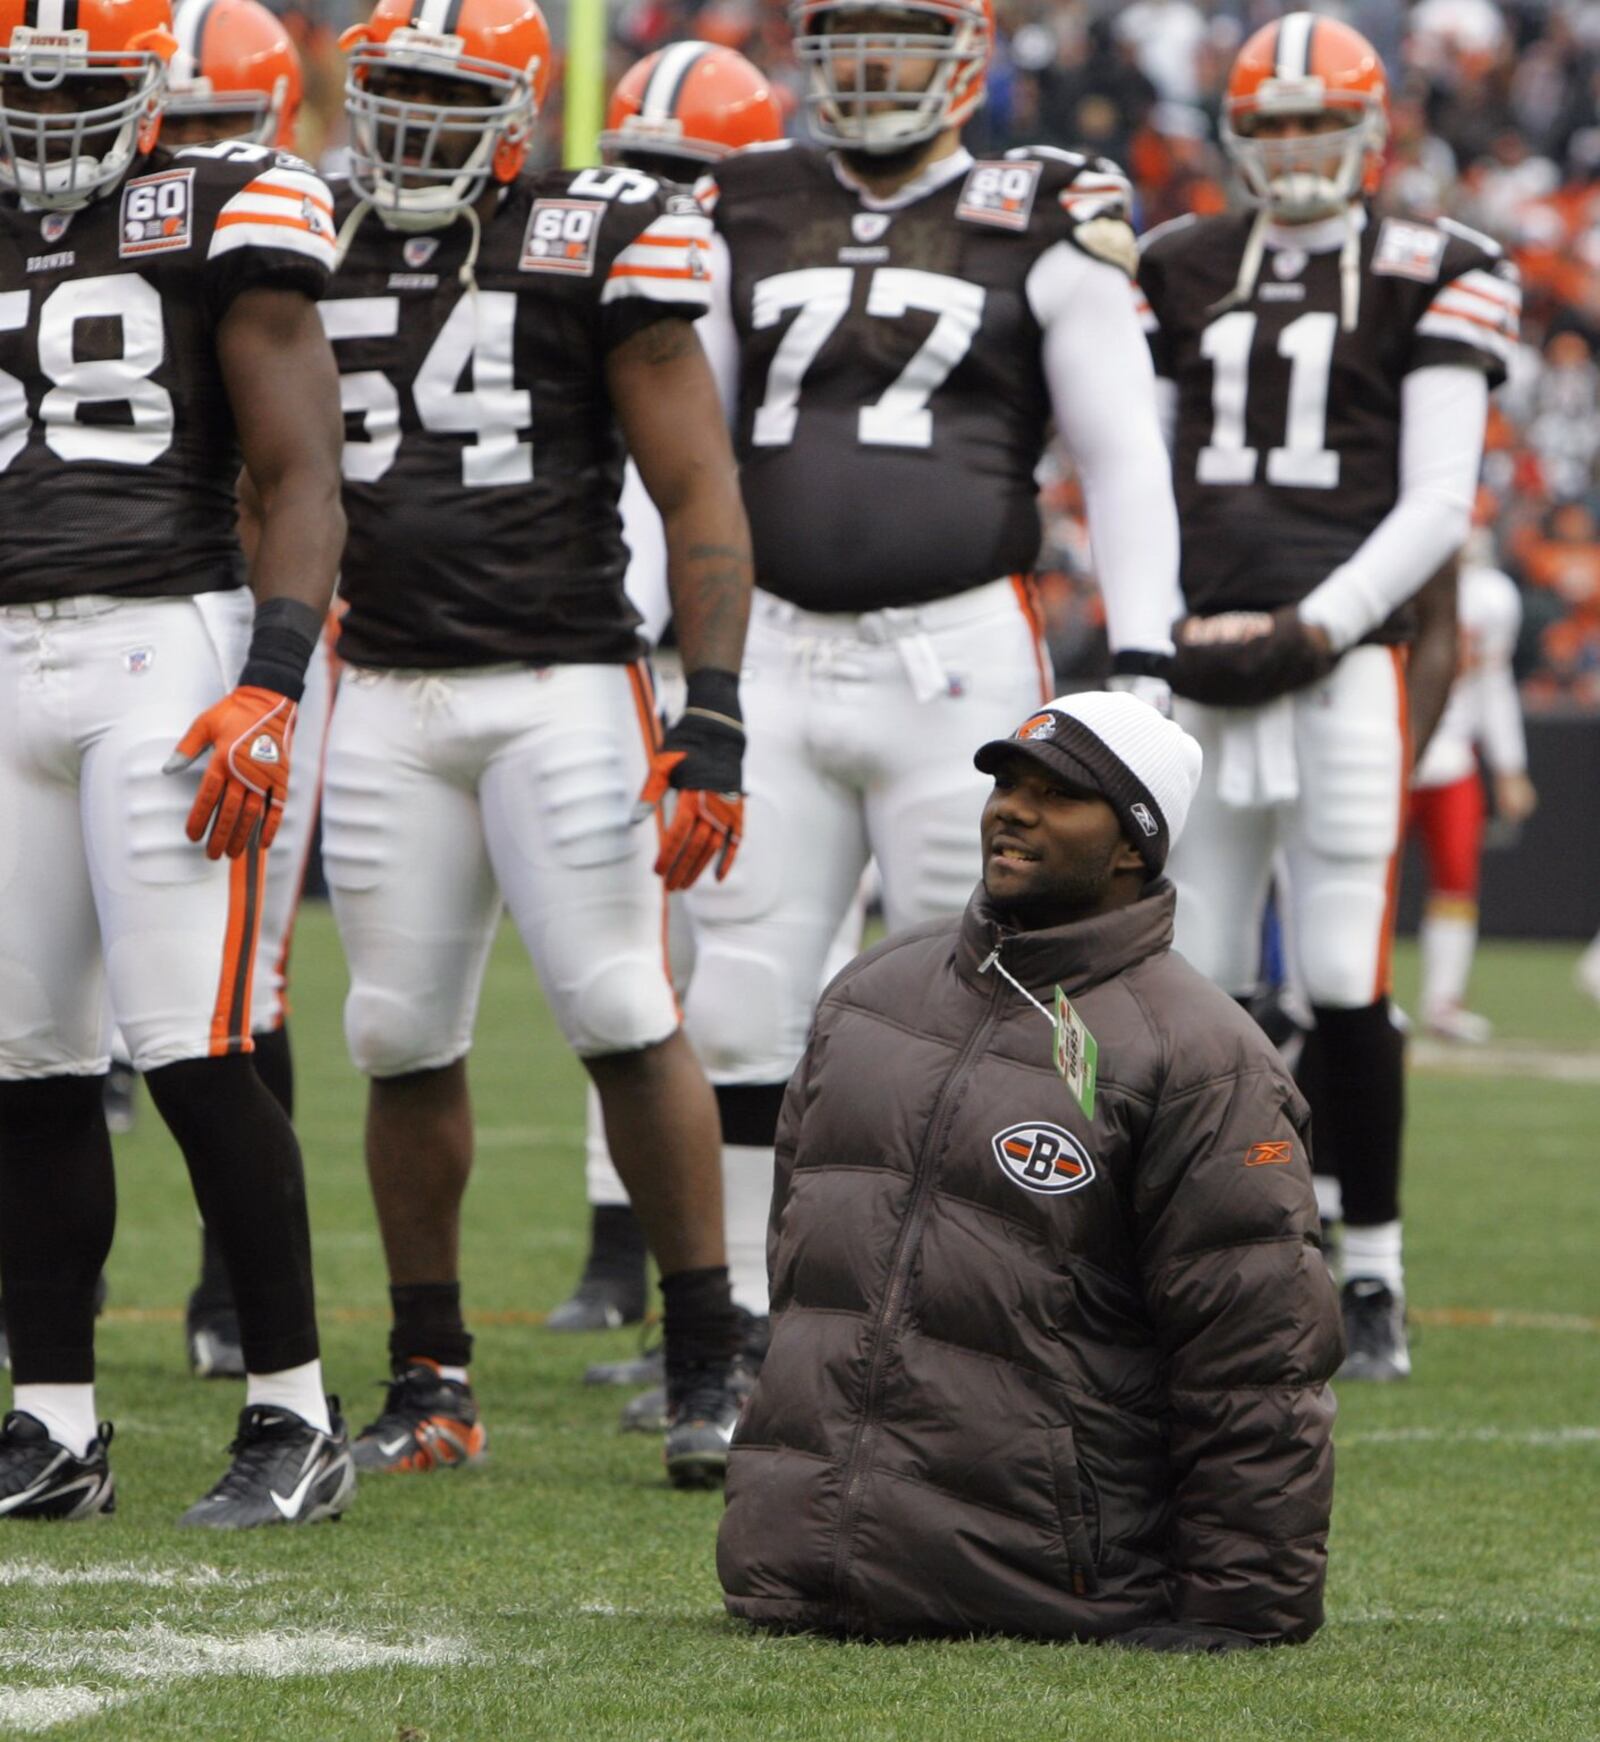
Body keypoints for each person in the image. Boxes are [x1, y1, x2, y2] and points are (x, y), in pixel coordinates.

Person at [681, 0, 1183, 1377]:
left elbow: (1121, 448)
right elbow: (680, 446)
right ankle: (734, 1328)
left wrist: (1142, 657)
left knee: (989, 990)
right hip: (768, 641)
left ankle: (983, 1311)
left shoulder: (1045, 205)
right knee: (736, 993)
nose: (869, 67)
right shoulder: (746, 198)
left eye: (899, 37)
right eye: (845, 37)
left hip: (955, 654)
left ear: (964, 58)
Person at [319, 0, 755, 1487]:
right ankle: (430, 1376)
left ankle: (709, 1354)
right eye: (395, 94)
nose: (413, 127)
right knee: (394, 1029)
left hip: (564, 677)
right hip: (383, 685)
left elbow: (697, 488)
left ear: (515, 113)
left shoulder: (597, 231)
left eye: (449, 98)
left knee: (625, 1005)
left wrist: (712, 708)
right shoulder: (311, 229)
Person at [718, 691, 1342, 1647]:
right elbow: (801, 1268)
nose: (1012, 808)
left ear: (1133, 843)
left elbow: (1256, 1361)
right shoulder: (868, 996)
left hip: (1046, 1594)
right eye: (1007, 782)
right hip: (792, 1575)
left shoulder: (1206, 1058)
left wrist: (1245, 1613)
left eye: (1058, 795)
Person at [0, 0, 352, 1525]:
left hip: (164, 643)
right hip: (7, 653)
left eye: (76, 85)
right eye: (24, 85)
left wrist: (272, 676)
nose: (47, 110)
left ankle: (295, 1409)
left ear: (149, 91)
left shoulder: (218, 202)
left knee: (193, 1046)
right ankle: (53, 1419)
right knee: (24, 1066)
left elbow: (298, 471)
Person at [1136, 12, 1517, 1380]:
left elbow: (1437, 500)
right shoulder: (1176, 264)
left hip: (1338, 659)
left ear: (1368, 130)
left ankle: (1374, 1272)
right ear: (1240, 132)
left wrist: (1317, 625)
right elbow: (1128, 459)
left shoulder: (1433, 266)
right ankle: (1223, 1254)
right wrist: (1158, 623)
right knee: (1211, 983)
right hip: (1203, 650)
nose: (1295, 147)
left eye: (1317, 120)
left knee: (1348, 970)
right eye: (1274, 121)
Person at [547, 40, 783, 1340]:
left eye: (697, 175)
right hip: (603, 640)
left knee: (740, 962)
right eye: (647, 170)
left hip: (740, 647)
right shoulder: (595, 270)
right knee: (623, 961)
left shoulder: (779, 282)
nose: (672, 200)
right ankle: (609, 1244)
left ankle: (736, 1275)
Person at [140, 0, 334, 1383]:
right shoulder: (110, 228)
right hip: (150, 608)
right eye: (182, 126)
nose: (200, 156)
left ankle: (234, 1292)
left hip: (270, 618)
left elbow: (303, 465)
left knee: (240, 983)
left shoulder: (297, 225)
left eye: (223, 129)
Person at [1410, 545, 1535, 1041]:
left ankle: (1443, 1001)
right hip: (1388, 746)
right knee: (1364, 877)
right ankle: (1360, 995)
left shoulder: (1491, 597)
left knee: (1457, 878)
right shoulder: (1395, 574)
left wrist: (1510, 767)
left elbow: (1493, 684)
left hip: (1454, 751)